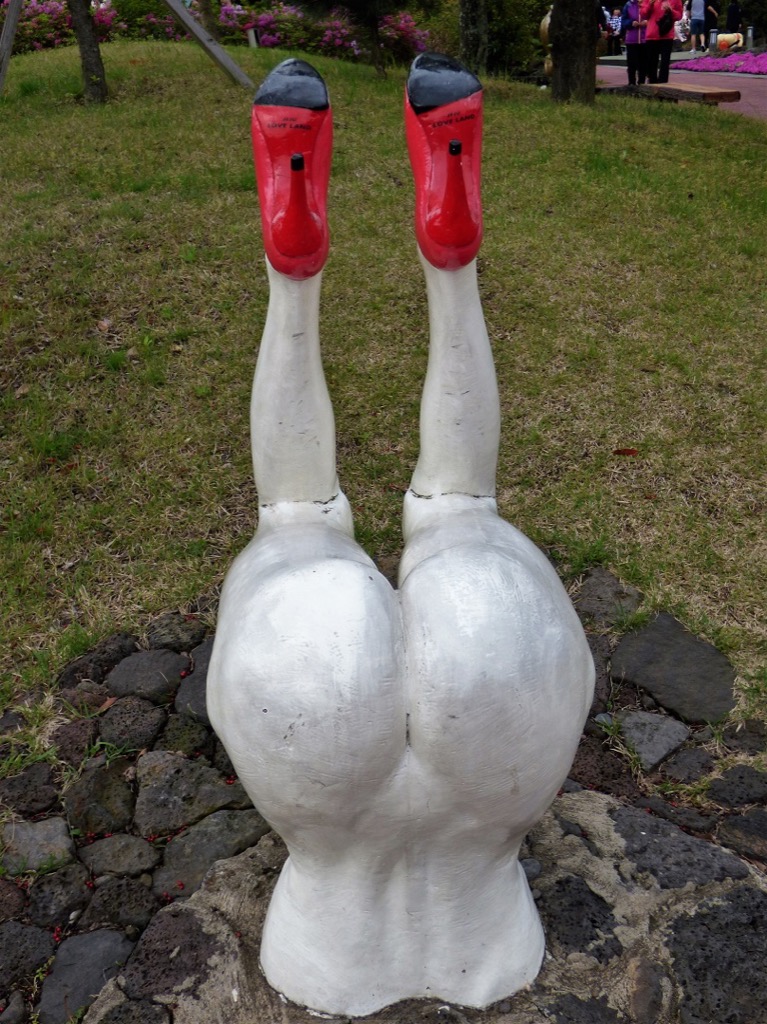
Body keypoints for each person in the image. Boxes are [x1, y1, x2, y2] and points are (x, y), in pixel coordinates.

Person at [208, 53, 594, 1018]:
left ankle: (292, 260)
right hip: (494, 857)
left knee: (295, 516)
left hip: (318, 887)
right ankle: (449, 248)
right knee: (461, 505)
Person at [641, 0, 683, 81]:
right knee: (651, 62)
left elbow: (679, 16)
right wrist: (650, 5)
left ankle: (663, 82)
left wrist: (671, 11)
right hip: (652, 35)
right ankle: (652, 81)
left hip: (667, 34)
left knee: (665, 62)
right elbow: (643, 14)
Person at [622, 0, 648, 82]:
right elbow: (623, 21)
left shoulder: (648, 3)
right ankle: (631, 82)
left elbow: (654, 18)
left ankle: (642, 82)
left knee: (643, 63)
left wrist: (648, 22)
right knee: (631, 63)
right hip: (631, 39)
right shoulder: (628, 4)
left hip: (645, 38)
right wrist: (631, 23)